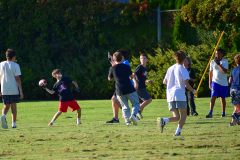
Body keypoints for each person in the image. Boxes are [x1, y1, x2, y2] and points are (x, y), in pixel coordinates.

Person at [158, 51, 196, 136]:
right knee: (184, 115)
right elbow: (186, 85)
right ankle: (177, 132)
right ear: (184, 59)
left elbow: (164, 82)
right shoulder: (184, 69)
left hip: (170, 94)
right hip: (179, 94)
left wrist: (172, 85)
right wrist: (194, 91)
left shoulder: (170, 68)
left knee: (176, 117)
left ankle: (163, 120)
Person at [108, 51, 140, 126]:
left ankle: (128, 122)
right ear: (122, 58)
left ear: (114, 60)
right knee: (136, 103)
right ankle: (133, 116)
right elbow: (131, 77)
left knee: (125, 107)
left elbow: (110, 79)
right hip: (129, 88)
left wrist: (113, 67)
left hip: (119, 90)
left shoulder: (112, 68)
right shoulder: (127, 66)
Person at [0, 49, 24, 129]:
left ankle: (3, 116)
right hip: (13, 88)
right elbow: (17, 78)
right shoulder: (15, 65)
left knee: (6, 106)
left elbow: (0, 77)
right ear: (13, 57)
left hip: (4, 88)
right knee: (13, 107)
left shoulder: (1, 64)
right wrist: (21, 91)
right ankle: (13, 124)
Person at [206, 48, 228, 118]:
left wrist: (219, 64)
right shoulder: (212, 62)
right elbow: (210, 72)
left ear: (222, 54)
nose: (217, 55)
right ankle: (210, 112)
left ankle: (223, 113)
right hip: (215, 82)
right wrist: (210, 83)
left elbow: (224, 71)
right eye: (216, 53)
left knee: (223, 98)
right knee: (213, 97)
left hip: (223, 83)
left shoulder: (225, 61)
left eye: (218, 53)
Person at [133, 54, 153, 119]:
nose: (143, 60)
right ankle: (137, 110)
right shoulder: (140, 67)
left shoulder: (145, 68)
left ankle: (135, 118)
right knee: (149, 99)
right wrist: (135, 83)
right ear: (140, 59)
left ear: (147, 59)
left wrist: (147, 81)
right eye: (141, 58)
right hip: (139, 87)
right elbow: (133, 75)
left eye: (144, 58)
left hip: (142, 86)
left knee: (142, 103)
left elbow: (141, 79)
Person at [228, 54, 240, 126]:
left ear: (236, 62)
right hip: (239, 89)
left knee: (237, 107)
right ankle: (236, 114)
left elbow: (229, 81)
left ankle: (233, 122)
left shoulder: (233, 70)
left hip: (232, 89)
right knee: (238, 109)